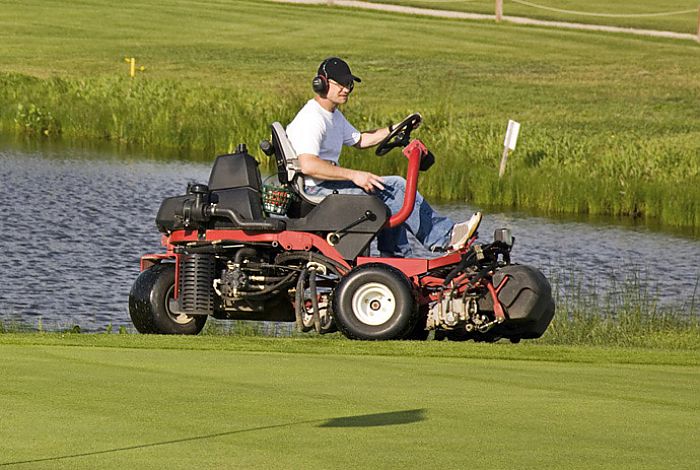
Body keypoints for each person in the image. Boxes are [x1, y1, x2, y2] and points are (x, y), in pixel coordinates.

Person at [286, 57, 480, 257]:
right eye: (341, 84)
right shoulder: (312, 118)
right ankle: (445, 238)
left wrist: (395, 128)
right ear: (322, 83)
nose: (346, 89)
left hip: (324, 186)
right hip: (315, 190)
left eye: (349, 85)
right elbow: (307, 165)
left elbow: (360, 139)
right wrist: (355, 175)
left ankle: (395, 261)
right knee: (394, 188)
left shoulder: (333, 115)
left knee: (391, 192)